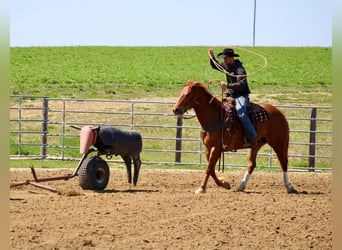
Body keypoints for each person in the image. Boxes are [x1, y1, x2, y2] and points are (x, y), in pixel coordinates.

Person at [208, 48, 257, 147]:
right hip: (231, 95)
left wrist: (228, 85)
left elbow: (242, 84)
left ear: (231, 58)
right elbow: (215, 65)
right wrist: (211, 56)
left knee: (241, 113)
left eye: (226, 58)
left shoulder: (239, 69)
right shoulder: (226, 66)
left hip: (241, 95)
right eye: (224, 58)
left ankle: (252, 136)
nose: (224, 60)